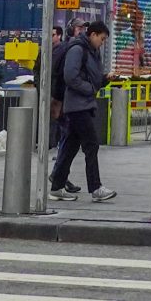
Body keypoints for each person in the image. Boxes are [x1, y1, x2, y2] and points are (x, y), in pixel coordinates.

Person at [47, 19, 114, 203]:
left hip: (83, 104)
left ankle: (57, 187)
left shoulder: (92, 51)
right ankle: (96, 188)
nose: (102, 43)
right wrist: (90, 88)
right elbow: (71, 76)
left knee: (70, 147)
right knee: (91, 144)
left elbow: (91, 77)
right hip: (77, 106)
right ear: (93, 34)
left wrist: (104, 79)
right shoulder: (78, 49)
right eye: (101, 39)